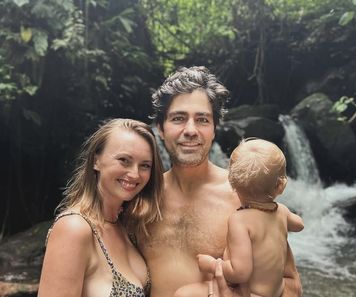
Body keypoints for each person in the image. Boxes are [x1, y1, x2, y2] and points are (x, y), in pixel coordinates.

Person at [137, 66, 303, 297]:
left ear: (214, 129)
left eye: (202, 119)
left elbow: (291, 285)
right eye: (178, 118)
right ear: (160, 129)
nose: (191, 130)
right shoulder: (139, 196)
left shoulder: (246, 196)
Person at [38, 119, 164, 297]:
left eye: (145, 165)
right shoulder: (74, 228)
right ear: (96, 161)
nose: (135, 174)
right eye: (124, 160)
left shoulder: (125, 226)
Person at [177, 138, 304, 297]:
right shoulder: (282, 211)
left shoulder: (240, 220)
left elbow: (240, 272)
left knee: (183, 294)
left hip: (251, 294)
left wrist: (212, 265)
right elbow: (299, 225)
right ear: (280, 186)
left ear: (232, 183)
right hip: (278, 291)